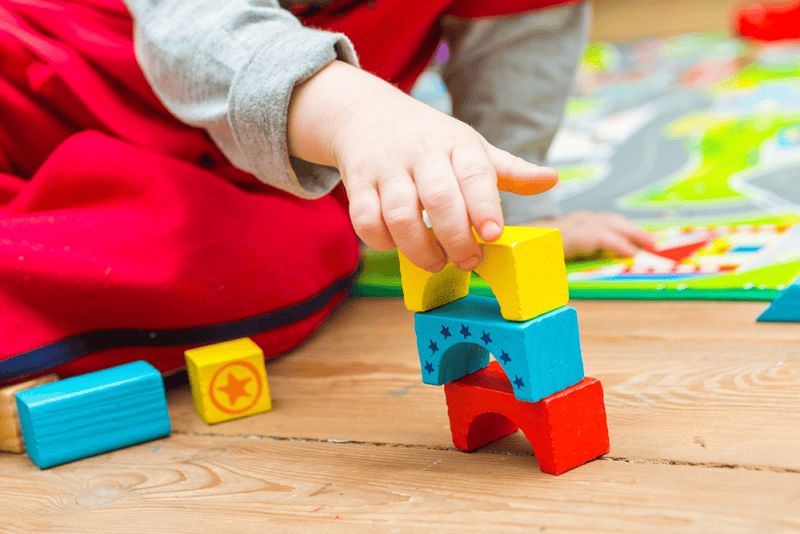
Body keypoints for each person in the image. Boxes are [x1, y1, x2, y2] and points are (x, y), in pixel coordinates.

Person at [0, 0, 650, 383]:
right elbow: (198, 30)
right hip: (36, 80)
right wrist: (358, 115)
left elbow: (522, 33)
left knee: (290, 253)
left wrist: (508, 211)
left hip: (252, 175)